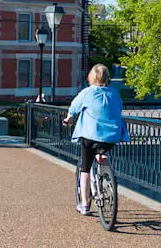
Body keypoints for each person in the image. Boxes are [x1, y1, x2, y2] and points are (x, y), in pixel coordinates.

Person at [63, 64, 130, 215]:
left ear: (91, 77)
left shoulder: (87, 92)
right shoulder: (114, 93)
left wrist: (68, 119)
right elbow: (118, 108)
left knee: (85, 169)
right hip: (112, 136)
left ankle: (85, 204)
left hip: (90, 135)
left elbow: (73, 108)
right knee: (102, 151)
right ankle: (105, 166)